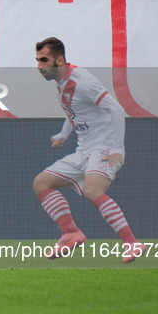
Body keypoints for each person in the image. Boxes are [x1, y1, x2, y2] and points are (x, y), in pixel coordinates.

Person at [33, 37, 146, 263]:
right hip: (83, 150)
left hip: (103, 148)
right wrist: (63, 136)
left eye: (44, 60)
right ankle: (71, 232)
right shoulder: (61, 82)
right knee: (41, 183)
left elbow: (116, 109)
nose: (39, 66)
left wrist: (116, 148)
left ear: (60, 59)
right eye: (37, 61)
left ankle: (132, 243)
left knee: (93, 191)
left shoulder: (82, 81)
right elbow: (74, 111)